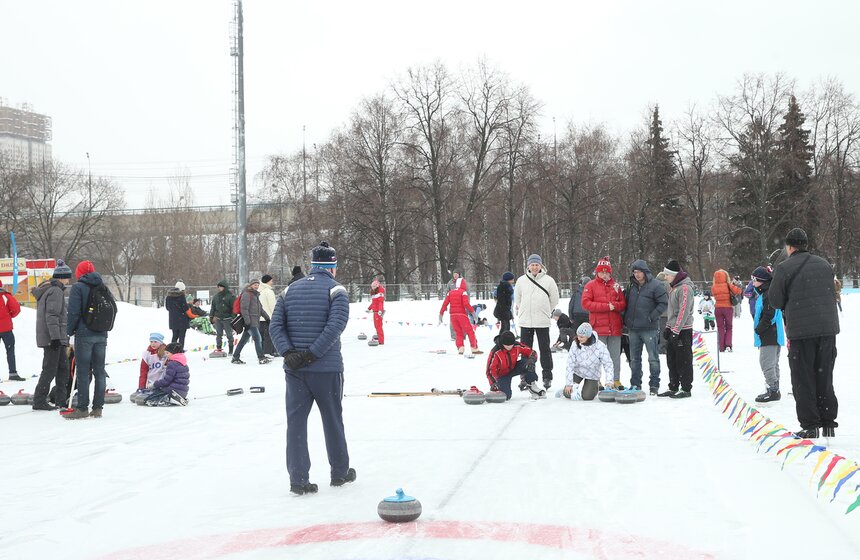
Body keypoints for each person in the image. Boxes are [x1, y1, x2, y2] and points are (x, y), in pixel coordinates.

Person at [269, 241, 355, 496]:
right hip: (326, 369)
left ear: (312, 265)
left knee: (295, 424)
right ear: (333, 267)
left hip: (295, 371)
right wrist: (311, 354)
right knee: (332, 420)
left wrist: (289, 353)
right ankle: (339, 472)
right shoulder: (336, 291)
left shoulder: (289, 290)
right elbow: (335, 326)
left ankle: (298, 479)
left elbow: (275, 326)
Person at [769, 228, 840, 439]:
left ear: (789, 246)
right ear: (805, 244)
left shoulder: (784, 268)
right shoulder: (824, 264)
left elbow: (775, 301)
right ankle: (828, 421)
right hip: (827, 329)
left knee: (803, 378)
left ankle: (810, 424)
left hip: (801, 332)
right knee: (824, 375)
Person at [63, 260, 112, 419]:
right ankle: (98, 408)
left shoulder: (78, 287)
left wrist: (69, 331)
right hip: (101, 333)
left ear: (79, 273)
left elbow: (73, 312)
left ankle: (82, 408)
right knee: (99, 371)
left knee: (83, 371)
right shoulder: (102, 286)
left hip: (84, 334)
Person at [31, 260, 72, 410]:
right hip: (53, 338)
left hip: (56, 337)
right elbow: (52, 316)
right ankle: (39, 400)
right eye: (67, 277)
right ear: (62, 277)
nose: (68, 281)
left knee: (63, 368)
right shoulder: (56, 291)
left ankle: (61, 400)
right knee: (50, 369)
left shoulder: (50, 290)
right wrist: (55, 337)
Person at [514, 254, 560, 389]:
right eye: (532, 265)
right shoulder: (521, 280)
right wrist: (524, 309)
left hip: (542, 321)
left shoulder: (549, 280)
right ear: (528, 266)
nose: (534, 267)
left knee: (544, 349)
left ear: (541, 266)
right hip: (526, 321)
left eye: (537, 265)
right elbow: (518, 298)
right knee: (525, 350)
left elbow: (554, 299)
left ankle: (547, 376)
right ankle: (525, 376)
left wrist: (546, 310)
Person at [623, 259, 668, 395]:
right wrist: (626, 319)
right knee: (634, 359)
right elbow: (626, 303)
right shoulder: (631, 286)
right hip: (633, 328)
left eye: (639, 272)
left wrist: (652, 316)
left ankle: (654, 384)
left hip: (649, 328)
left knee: (653, 358)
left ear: (645, 272)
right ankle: (635, 383)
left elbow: (663, 303)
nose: (636, 274)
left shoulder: (656, 285)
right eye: (634, 272)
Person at [581, 256, 626, 388]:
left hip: (614, 327)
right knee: (597, 356)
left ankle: (615, 380)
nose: (604, 275)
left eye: (607, 272)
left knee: (615, 356)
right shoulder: (590, 285)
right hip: (598, 327)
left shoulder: (616, 286)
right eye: (602, 272)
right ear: (597, 272)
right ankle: (596, 380)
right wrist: (606, 306)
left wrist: (615, 306)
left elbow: (622, 304)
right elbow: (586, 303)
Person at [658, 260, 694, 399]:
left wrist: (676, 330)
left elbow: (683, 311)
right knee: (671, 359)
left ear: (674, 275)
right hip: (674, 329)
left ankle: (685, 388)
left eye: (667, 275)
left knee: (683, 360)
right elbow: (671, 311)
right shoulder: (673, 288)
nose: (665, 277)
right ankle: (673, 386)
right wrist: (668, 327)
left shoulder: (684, 288)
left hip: (683, 330)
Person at [750, 266, 784, 403]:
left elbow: (769, 315)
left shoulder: (768, 294)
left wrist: (759, 329)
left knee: (767, 363)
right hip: (770, 334)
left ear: (762, 281)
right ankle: (774, 388)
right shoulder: (764, 293)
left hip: (770, 334)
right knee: (772, 363)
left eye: (755, 280)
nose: (753, 283)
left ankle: (773, 390)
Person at [561, 323, 614, 401]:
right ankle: (567, 389)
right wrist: (569, 384)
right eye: (578, 336)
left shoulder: (600, 346)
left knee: (587, 397)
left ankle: (595, 386)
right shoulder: (575, 344)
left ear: (588, 336)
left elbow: (608, 364)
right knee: (567, 394)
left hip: (592, 374)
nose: (579, 338)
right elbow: (570, 364)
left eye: (582, 337)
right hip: (578, 371)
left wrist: (609, 381)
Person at [484, 330, 543, 400]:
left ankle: (532, 384)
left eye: (511, 345)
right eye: (507, 345)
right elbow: (489, 370)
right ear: (502, 343)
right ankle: (501, 389)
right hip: (502, 375)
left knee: (527, 362)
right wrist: (493, 383)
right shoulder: (496, 352)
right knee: (506, 396)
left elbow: (532, 352)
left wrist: (532, 360)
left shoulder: (516, 345)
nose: (509, 347)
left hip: (513, 368)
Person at [232, 279, 271, 365]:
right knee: (258, 338)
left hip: (254, 321)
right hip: (250, 322)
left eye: (258, 285)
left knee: (243, 340)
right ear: (251, 285)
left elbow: (260, 309)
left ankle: (235, 357)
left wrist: (267, 318)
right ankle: (261, 358)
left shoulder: (255, 295)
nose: (256, 286)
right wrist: (247, 322)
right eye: (255, 284)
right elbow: (244, 309)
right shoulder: (247, 294)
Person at [439, 278, 481, 355]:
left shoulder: (450, 293)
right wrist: (473, 313)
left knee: (458, 332)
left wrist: (441, 314)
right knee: (470, 332)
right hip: (462, 315)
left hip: (452, 316)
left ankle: (460, 348)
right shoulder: (463, 292)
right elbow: (466, 304)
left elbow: (445, 304)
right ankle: (474, 348)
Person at [144, 342, 190, 406]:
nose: (166, 355)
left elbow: (166, 381)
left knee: (149, 399)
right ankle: (176, 398)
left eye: (167, 353)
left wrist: (154, 384)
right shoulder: (183, 363)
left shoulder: (172, 363)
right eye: (165, 353)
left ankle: (168, 399)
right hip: (183, 391)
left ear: (174, 353)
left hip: (173, 390)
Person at [711, 269, 741, 352]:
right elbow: (738, 291)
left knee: (720, 327)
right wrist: (734, 285)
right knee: (729, 327)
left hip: (718, 308)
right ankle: (728, 345)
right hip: (727, 308)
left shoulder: (713, 287)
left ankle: (721, 347)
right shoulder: (728, 285)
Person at [0, 277, 23, 382]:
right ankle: (13, 373)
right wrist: (9, 316)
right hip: (6, 329)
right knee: (10, 351)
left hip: (6, 328)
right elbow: (16, 308)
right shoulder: (6, 296)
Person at [165, 281, 196, 348]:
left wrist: (174, 311)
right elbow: (185, 308)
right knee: (182, 336)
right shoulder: (181, 296)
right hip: (182, 319)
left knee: (174, 336)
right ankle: (180, 349)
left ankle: (172, 349)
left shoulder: (168, 297)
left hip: (173, 319)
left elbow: (167, 308)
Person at [210, 280, 235, 356]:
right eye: (219, 287)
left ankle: (231, 350)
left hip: (227, 318)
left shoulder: (230, 296)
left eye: (221, 287)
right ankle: (219, 348)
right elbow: (213, 307)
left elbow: (234, 308)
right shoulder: (216, 296)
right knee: (219, 335)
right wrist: (211, 316)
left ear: (225, 287)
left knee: (229, 335)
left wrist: (233, 317)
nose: (219, 288)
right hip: (218, 318)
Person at [259, 274, 277, 357]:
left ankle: (262, 351)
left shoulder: (259, 291)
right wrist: (275, 315)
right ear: (267, 281)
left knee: (261, 336)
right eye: (271, 281)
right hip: (268, 317)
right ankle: (268, 352)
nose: (272, 282)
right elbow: (272, 306)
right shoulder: (269, 291)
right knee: (268, 336)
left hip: (260, 317)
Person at [655, 271, 672, 355]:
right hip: (667, 312)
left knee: (660, 331)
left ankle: (660, 347)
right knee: (666, 331)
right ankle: (665, 347)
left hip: (658, 312)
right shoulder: (668, 285)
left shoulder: (656, 285)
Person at [446, 268, 464, 341]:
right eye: (454, 274)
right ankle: (453, 336)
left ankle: (463, 335)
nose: (455, 275)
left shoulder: (463, 282)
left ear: (459, 275)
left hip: (462, 304)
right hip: (453, 305)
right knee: (453, 321)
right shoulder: (450, 283)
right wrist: (446, 304)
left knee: (463, 320)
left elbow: (467, 293)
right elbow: (447, 293)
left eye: (456, 274)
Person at [367, 278, 385, 345]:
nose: (373, 288)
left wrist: (380, 310)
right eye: (372, 286)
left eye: (374, 286)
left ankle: (381, 341)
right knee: (376, 326)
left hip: (378, 312)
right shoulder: (374, 293)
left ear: (377, 286)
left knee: (379, 326)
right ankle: (378, 338)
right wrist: (369, 308)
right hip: (375, 312)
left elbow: (380, 302)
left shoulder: (380, 293)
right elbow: (374, 303)